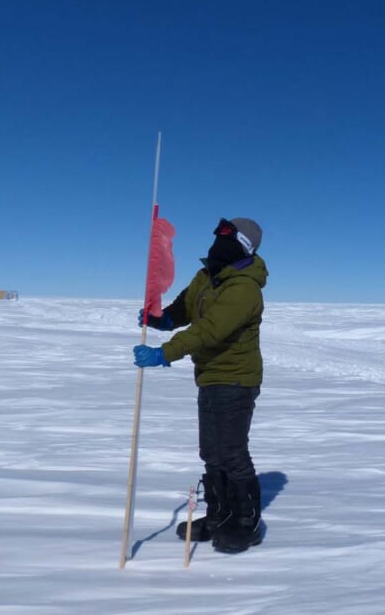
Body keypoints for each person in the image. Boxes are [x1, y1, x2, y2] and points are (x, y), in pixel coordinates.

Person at [133, 217, 268, 553]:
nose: (219, 241)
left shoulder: (244, 288)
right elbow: (185, 309)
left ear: (244, 246)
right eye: (218, 235)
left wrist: (165, 353)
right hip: (209, 376)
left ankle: (245, 522)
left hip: (236, 379)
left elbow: (209, 329)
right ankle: (220, 515)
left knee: (232, 453)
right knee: (211, 452)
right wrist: (161, 318)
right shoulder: (207, 276)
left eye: (227, 237)